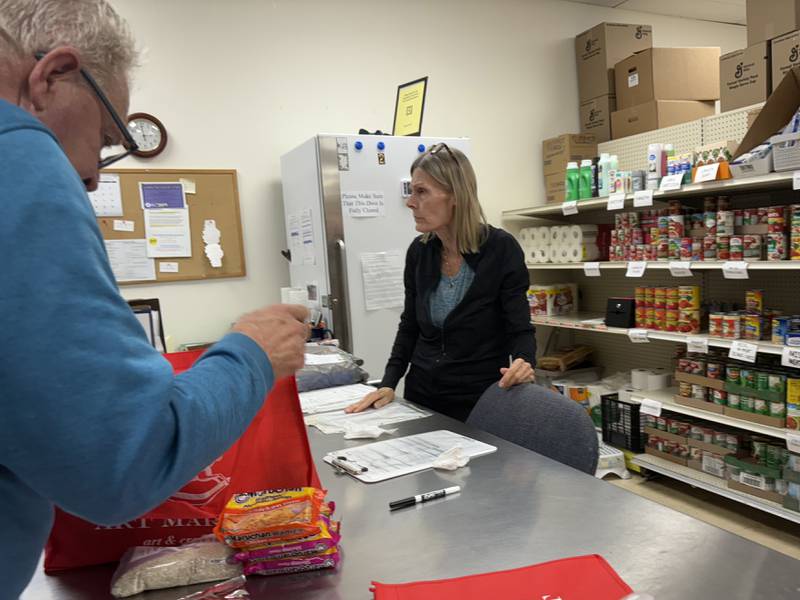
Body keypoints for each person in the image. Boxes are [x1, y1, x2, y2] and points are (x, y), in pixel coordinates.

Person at [0, 1, 308, 595]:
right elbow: (124, 460)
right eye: (107, 137)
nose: (93, 174)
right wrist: (251, 352)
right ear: (53, 77)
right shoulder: (19, 159)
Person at [347, 143, 536, 421]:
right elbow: (409, 326)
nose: (410, 202)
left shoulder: (501, 249)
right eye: (412, 192)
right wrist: (388, 382)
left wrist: (524, 364)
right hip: (422, 396)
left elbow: (519, 328)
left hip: (480, 403)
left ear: (456, 195)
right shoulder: (419, 252)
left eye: (421, 192)